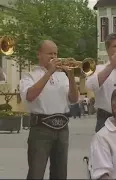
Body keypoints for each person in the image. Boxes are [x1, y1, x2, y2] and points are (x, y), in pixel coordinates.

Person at [19, 40, 79, 179]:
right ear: (39, 55)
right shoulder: (30, 75)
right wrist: (49, 72)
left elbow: (74, 99)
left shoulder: (62, 76)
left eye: (55, 54)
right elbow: (30, 96)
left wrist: (70, 76)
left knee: (60, 173)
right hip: (41, 128)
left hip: (62, 129)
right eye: (49, 53)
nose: (53, 57)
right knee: (36, 173)